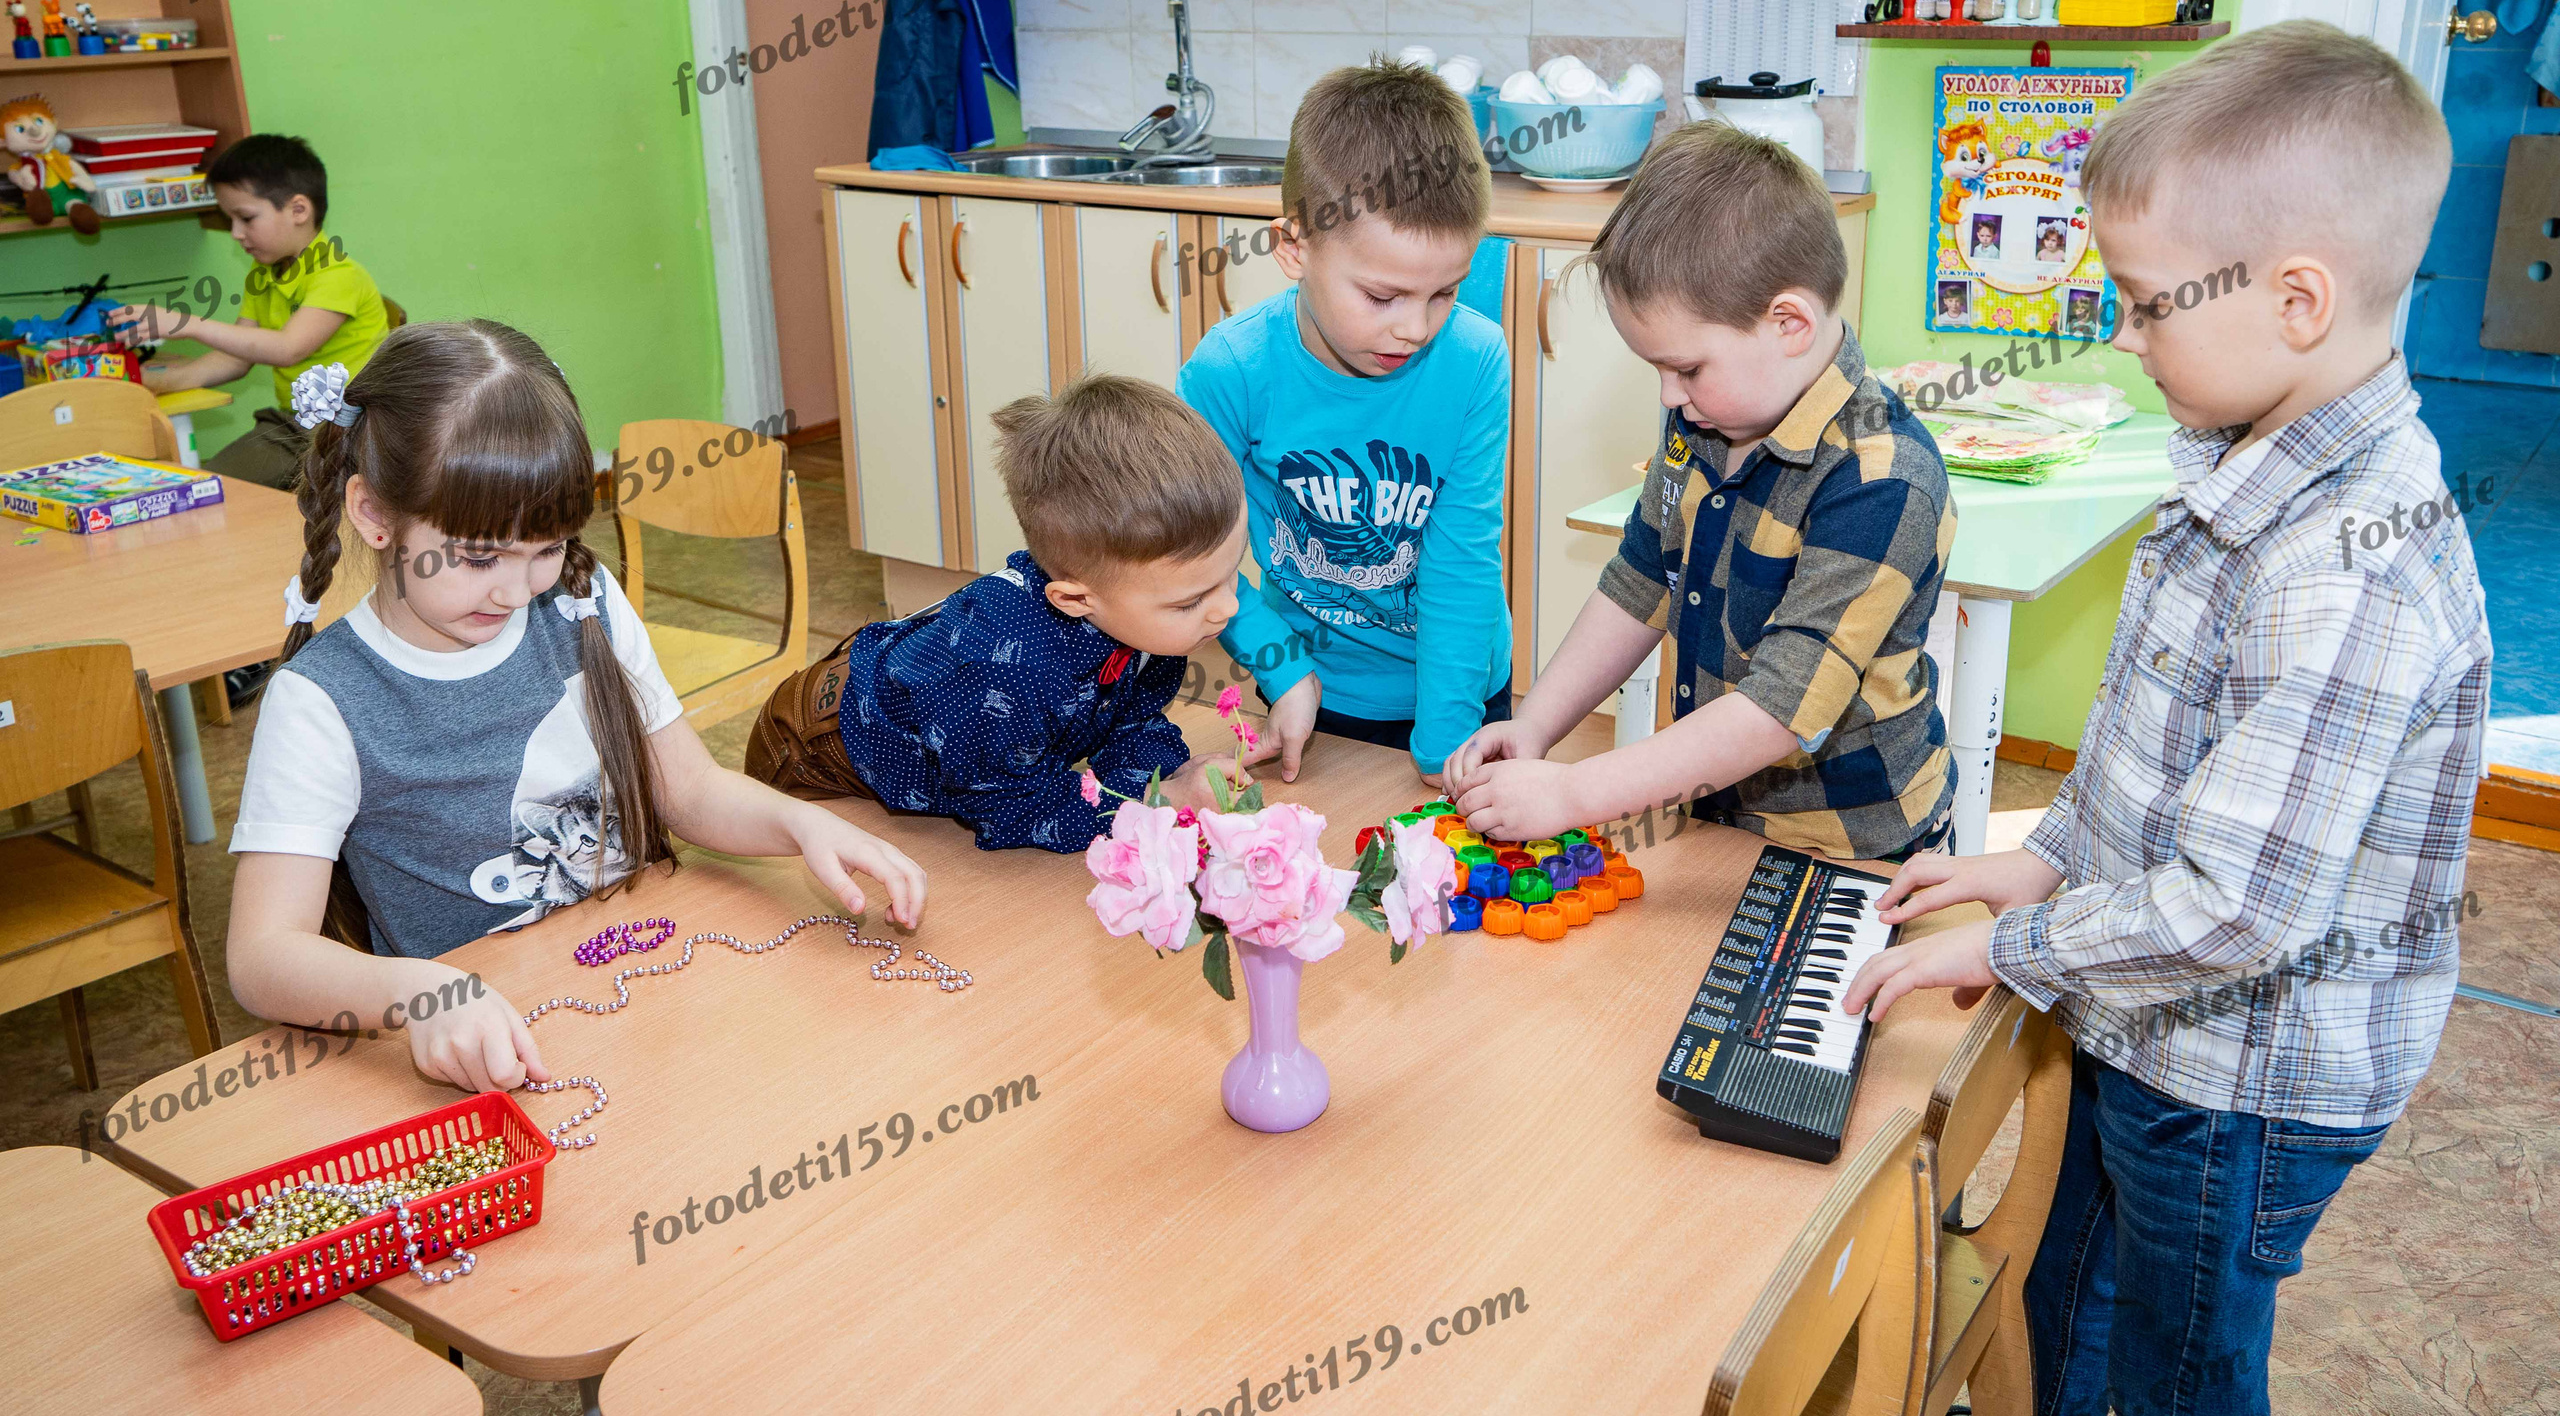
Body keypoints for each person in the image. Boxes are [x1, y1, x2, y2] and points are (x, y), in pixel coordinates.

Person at [1841, 21, 2483, 1416]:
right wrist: (2038, 859)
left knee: (2186, 1378)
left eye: (2143, 306)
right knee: (2065, 1262)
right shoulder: (2244, 457)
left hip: (2248, 1079)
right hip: (2147, 1024)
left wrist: (2001, 946)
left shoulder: (2347, 576)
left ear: (2298, 299)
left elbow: (2232, 906)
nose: (2126, 340)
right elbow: (2155, 758)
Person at [225, 321, 926, 1096]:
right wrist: (415, 997)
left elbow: (687, 789)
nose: (515, 588)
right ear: (373, 515)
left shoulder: (582, 601)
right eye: (480, 555)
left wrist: (800, 822)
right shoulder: (322, 701)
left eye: (547, 547)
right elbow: (263, 954)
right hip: (499, 1054)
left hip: (655, 998)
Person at [1448, 123, 1956, 862]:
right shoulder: (1708, 417)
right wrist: (1536, 727)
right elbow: (1640, 577)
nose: (1668, 395)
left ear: (1789, 323)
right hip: (1718, 817)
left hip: (1855, 846)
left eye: (1686, 368)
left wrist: (1574, 792)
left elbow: (1777, 711)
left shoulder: (1883, 481)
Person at [744, 373, 1261, 851]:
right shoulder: (1005, 668)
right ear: (1076, 599)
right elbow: (1016, 811)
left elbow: (1131, 723)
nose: (1227, 608)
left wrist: (1171, 781)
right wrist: (1161, 806)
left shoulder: (1146, 620)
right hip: (811, 755)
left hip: (966, 749)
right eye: (1192, 600)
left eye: (1232, 571)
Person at [1178, 57, 1512, 788]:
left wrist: (1447, 742)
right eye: (1383, 296)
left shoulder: (1477, 362)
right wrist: (1282, 667)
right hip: (1307, 692)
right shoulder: (1229, 373)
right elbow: (1197, 562)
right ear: (1294, 248)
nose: (1416, 329)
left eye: (1444, 293)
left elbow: (1463, 562)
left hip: (1456, 693)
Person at [111, 134, 394, 490]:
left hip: (353, 432)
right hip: (294, 426)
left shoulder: (338, 274)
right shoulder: (262, 275)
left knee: (226, 494)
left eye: (245, 218)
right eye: (230, 219)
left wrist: (187, 324)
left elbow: (288, 347)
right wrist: (150, 384)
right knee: (214, 482)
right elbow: (236, 358)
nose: (235, 233)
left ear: (298, 210)